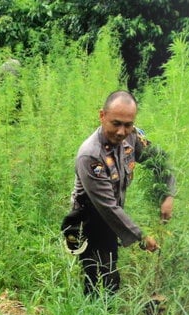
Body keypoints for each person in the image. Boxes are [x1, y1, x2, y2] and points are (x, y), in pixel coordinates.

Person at [62, 90, 177, 296]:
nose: (122, 131)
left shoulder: (131, 137)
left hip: (112, 212)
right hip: (90, 219)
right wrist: (141, 236)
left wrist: (168, 194)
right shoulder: (90, 155)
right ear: (102, 116)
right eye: (116, 123)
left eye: (128, 124)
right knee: (100, 276)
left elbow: (159, 160)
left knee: (109, 270)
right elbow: (107, 208)